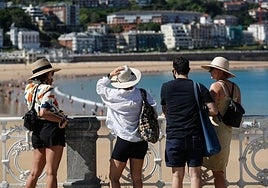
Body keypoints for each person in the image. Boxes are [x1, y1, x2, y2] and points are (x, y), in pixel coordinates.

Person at [160, 56, 218, 188]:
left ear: (174, 71)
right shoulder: (198, 87)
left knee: (176, 175)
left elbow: (165, 110)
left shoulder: (166, 87)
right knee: (195, 175)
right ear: (189, 70)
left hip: (174, 137)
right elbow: (214, 110)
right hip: (194, 137)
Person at [96, 65, 157, 188]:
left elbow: (99, 87)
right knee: (137, 179)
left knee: (113, 177)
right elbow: (154, 111)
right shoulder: (142, 94)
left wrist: (110, 75)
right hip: (140, 140)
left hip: (123, 141)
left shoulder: (113, 95)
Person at [24, 58, 68, 188]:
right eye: (51, 73)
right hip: (51, 130)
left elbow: (36, 109)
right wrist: (61, 119)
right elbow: (43, 112)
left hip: (37, 129)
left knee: (34, 173)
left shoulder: (29, 88)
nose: (52, 76)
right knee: (51, 173)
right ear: (47, 74)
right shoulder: (47, 89)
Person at [201, 56, 242, 188]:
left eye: (212, 69)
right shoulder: (236, 88)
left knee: (198, 169)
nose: (210, 72)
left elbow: (209, 108)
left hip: (215, 131)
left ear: (220, 71)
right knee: (220, 171)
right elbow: (238, 109)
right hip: (227, 132)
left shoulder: (216, 86)